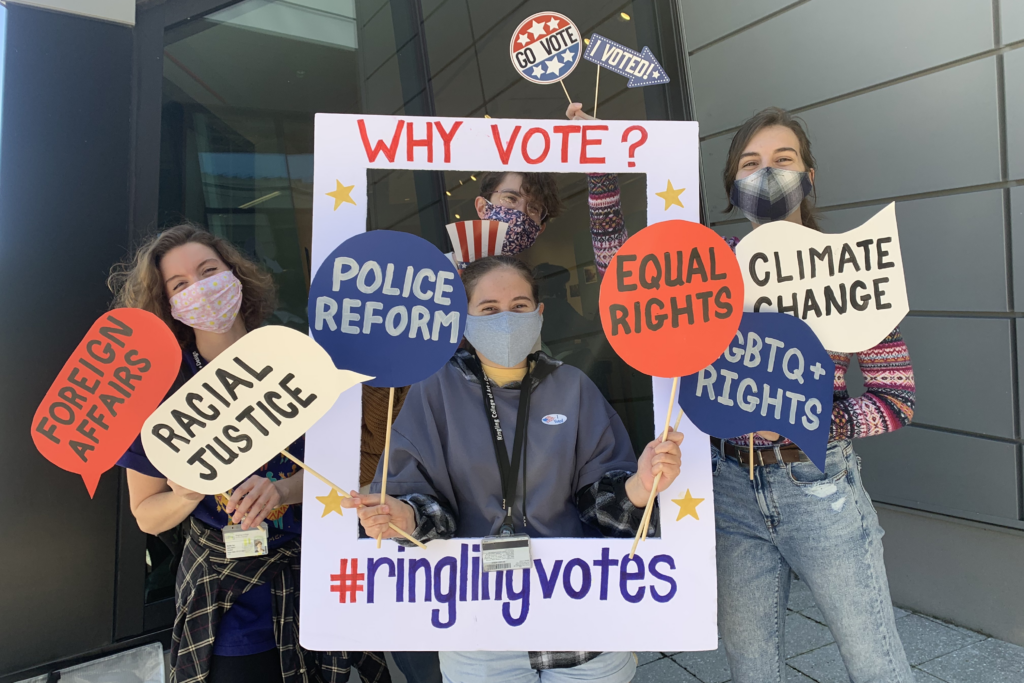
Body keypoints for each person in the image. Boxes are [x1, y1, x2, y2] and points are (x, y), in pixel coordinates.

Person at [342, 255, 684, 683]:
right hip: (476, 624)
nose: (506, 319)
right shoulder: (434, 392)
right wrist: (402, 517)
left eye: (520, 306)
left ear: (539, 315)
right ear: (463, 319)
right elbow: (418, 497)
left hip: (578, 612)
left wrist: (640, 485)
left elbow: (601, 501)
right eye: (488, 309)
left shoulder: (573, 386)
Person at [109, 224, 390, 683]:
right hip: (226, 605)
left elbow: (348, 468)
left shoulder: (301, 358)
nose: (200, 289)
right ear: (168, 305)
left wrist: (281, 490)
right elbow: (146, 513)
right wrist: (185, 493)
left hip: (318, 577)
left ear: (236, 276)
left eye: (209, 271)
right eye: (180, 285)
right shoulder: (160, 395)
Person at [713, 108, 916, 682]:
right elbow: (625, 287)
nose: (767, 174)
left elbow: (895, 399)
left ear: (809, 174)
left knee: (875, 663)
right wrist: (601, 163)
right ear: (733, 185)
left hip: (819, 487)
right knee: (751, 670)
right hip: (729, 490)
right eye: (751, 164)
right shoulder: (710, 267)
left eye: (783, 160)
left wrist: (816, 422)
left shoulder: (850, 270)